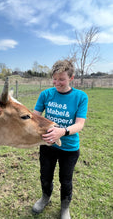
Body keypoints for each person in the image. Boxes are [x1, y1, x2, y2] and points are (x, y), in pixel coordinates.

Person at [32, 59, 88, 219]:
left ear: (72, 78)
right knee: (45, 176)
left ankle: (65, 207)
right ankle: (45, 198)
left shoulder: (80, 97)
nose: (57, 83)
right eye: (55, 79)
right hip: (47, 145)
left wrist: (62, 132)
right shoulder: (46, 94)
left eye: (61, 79)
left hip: (69, 149)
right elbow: (35, 117)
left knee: (66, 180)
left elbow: (79, 124)